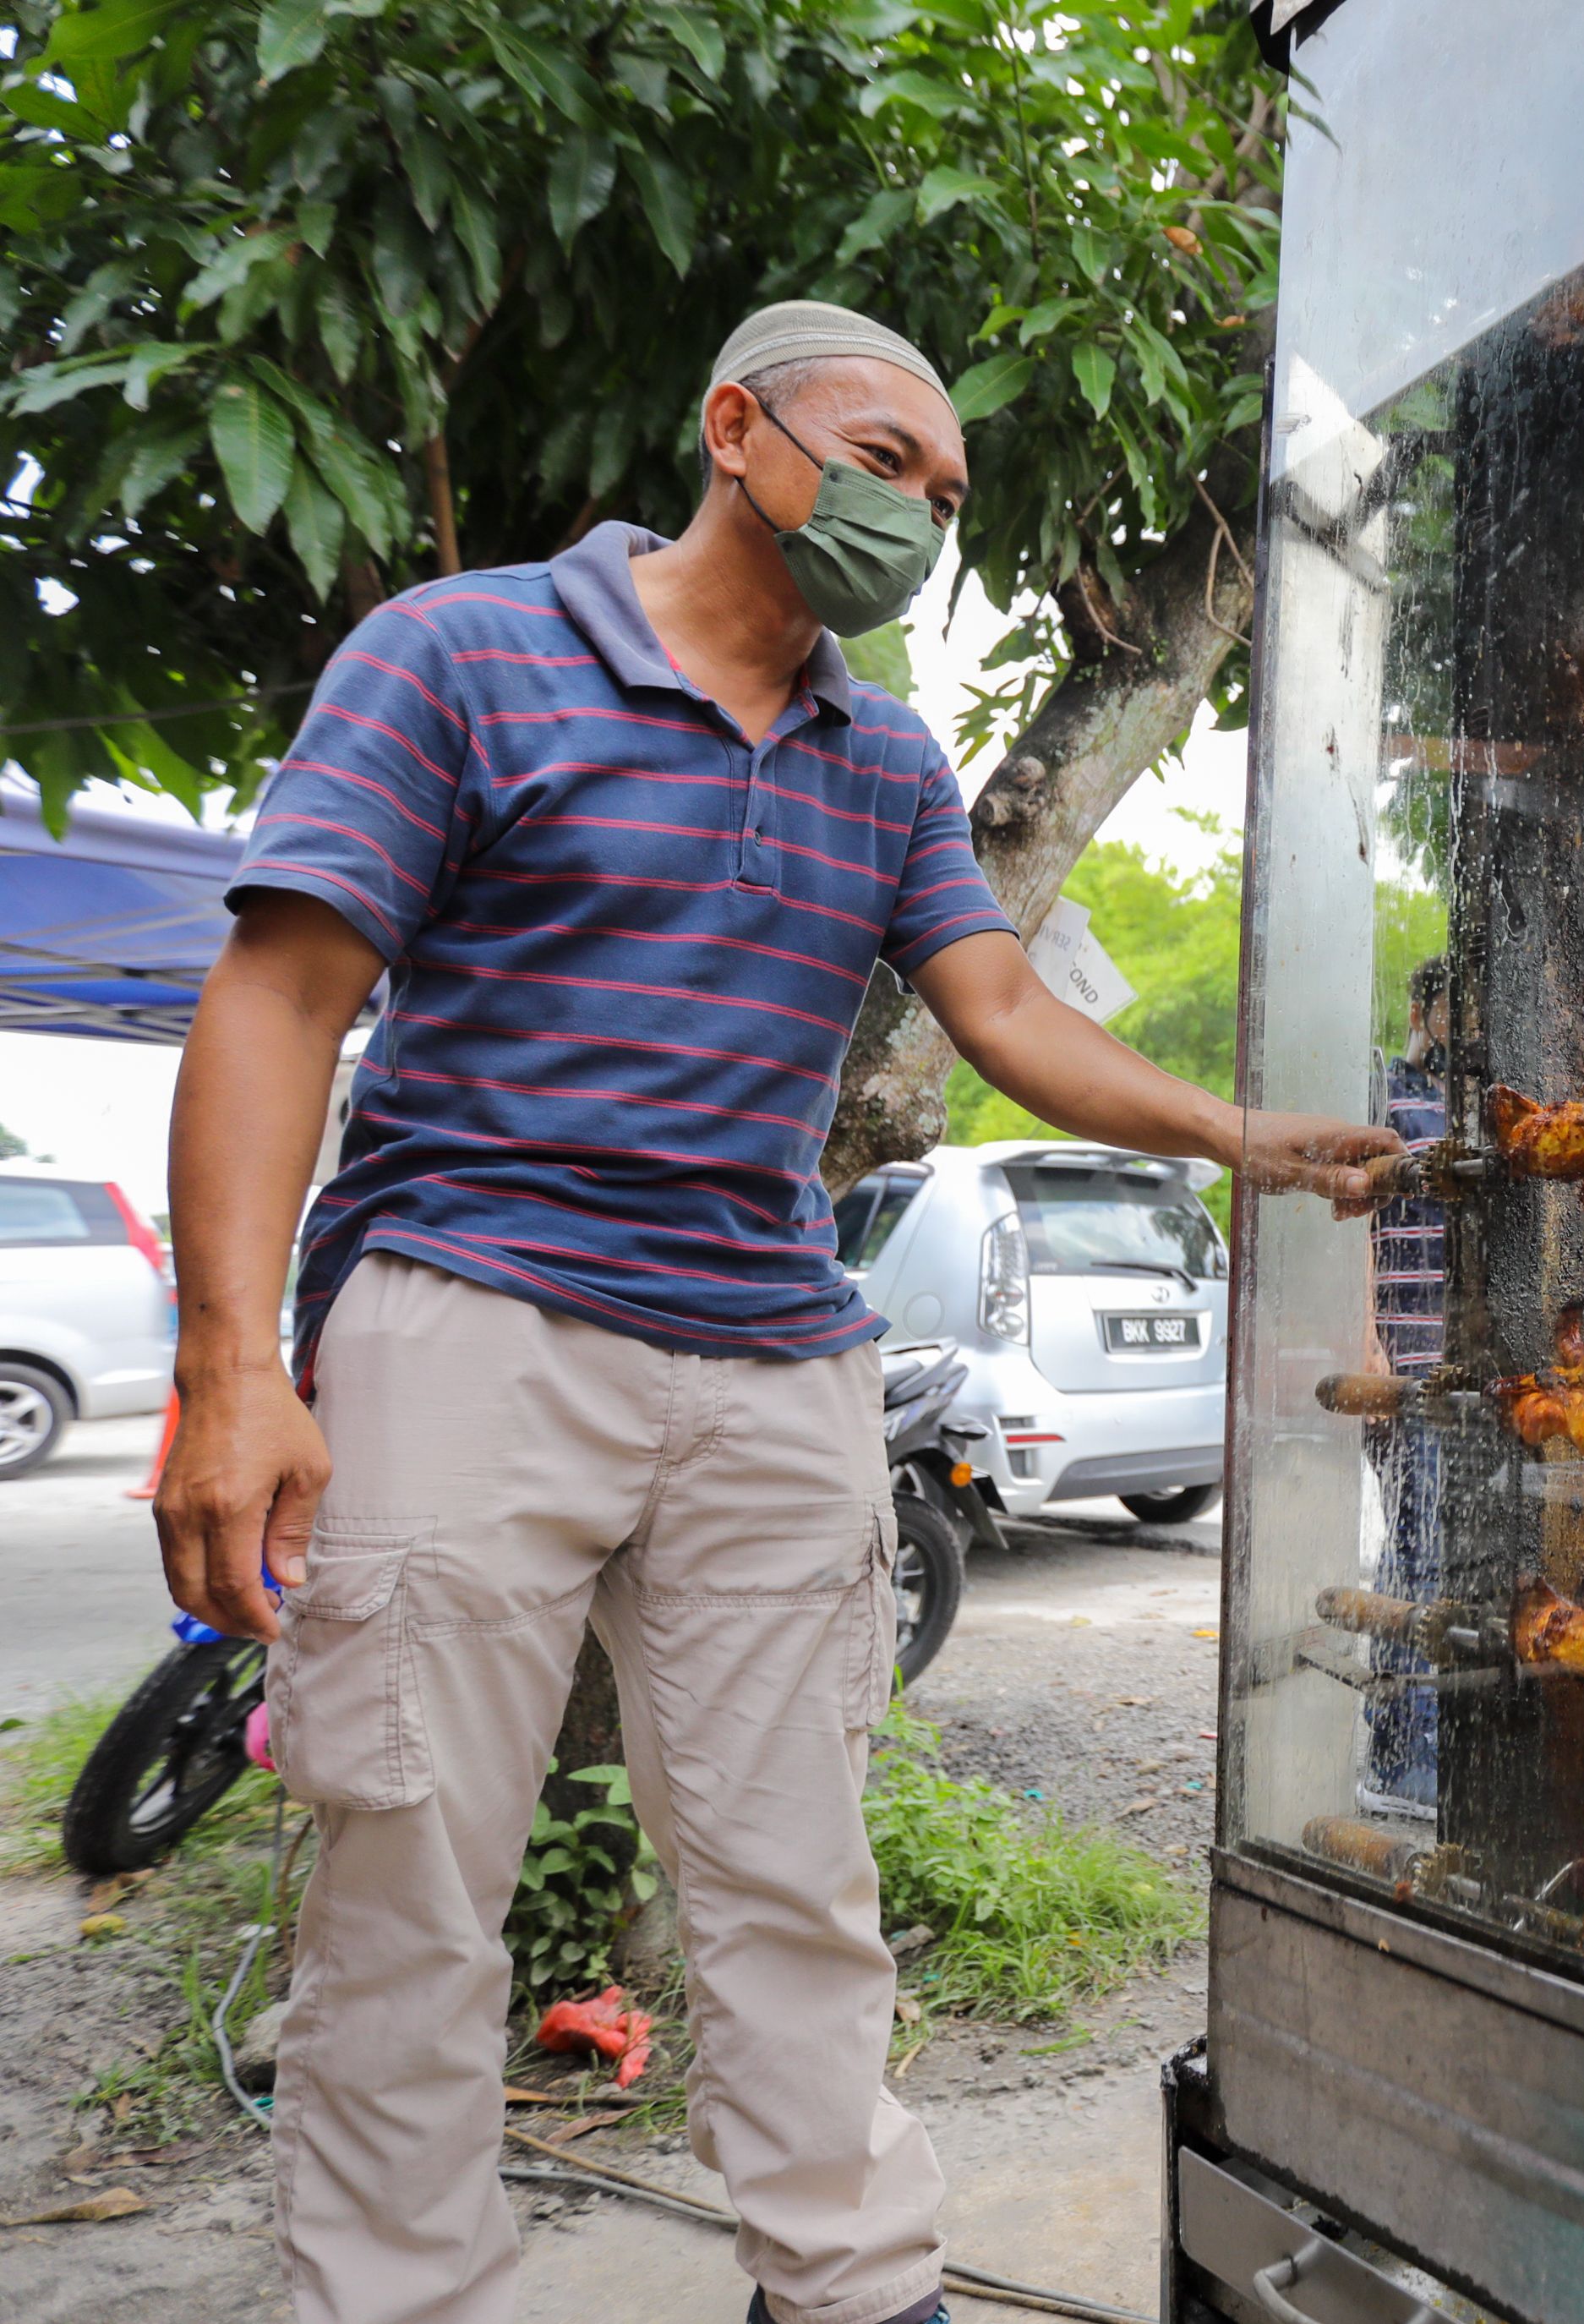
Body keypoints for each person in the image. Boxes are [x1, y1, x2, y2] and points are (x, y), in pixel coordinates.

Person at [154, 300, 1397, 2324]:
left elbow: (995, 1010)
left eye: (950, 491)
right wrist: (229, 1372)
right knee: (405, 1891)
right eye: (889, 456)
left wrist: (1237, 1130)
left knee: (798, 1893)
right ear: (738, 428)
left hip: (771, 1361)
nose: (922, 508)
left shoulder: (885, 752)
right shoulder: (460, 653)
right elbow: (283, 993)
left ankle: (850, 2290)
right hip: (475, 1318)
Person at [1361, 957, 1450, 1810]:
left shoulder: (1477, 1100)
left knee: (1450, 1554)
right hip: (1404, 1360)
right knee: (1416, 1551)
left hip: (1464, 1369)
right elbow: (1355, 1212)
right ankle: (1400, 1760)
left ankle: (1436, 1745)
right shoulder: (1386, 1088)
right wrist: (1367, 1345)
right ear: (1426, 1007)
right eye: (1454, 1003)